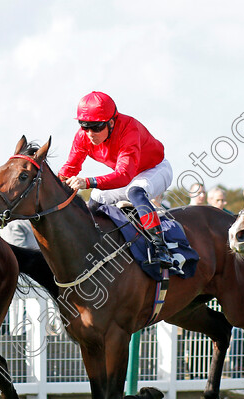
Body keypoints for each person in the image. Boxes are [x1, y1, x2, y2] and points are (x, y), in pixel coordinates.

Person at [59, 91, 174, 268]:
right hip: (129, 175)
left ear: (111, 122)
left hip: (155, 169)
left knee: (135, 192)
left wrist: (87, 182)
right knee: (96, 199)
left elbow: (124, 176)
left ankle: (161, 248)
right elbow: (70, 169)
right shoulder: (83, 137)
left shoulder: (129, 129)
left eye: (96, 127)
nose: (90, 133)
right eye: (84, 126)